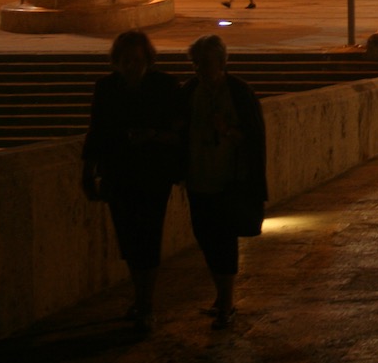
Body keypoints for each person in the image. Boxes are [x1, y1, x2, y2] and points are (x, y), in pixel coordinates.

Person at [81, 30, 182, 333]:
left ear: (148, 60)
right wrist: (88, 172)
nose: (131, 66)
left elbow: (179, 130)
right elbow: (96, 131)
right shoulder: (106, 88)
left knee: (148, 237)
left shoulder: (164, 86)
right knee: (128, 238)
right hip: (118, 173)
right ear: (116, 62)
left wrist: (152, 135)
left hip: (153, 174)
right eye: (125, 61)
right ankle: (141, 298)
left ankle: (146, 303)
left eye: (136, 61)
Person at [180, 34, 267, 330]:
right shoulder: (191, 92)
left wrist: (227, 129)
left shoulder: (239, 93)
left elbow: (253, 138)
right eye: (196, 64)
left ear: (221, 63)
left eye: (205, 64)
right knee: (205, 238)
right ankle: (221, 296)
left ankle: (227, 303)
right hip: (198, 179)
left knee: (224, 240)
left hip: (229, 180)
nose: (199, 70)